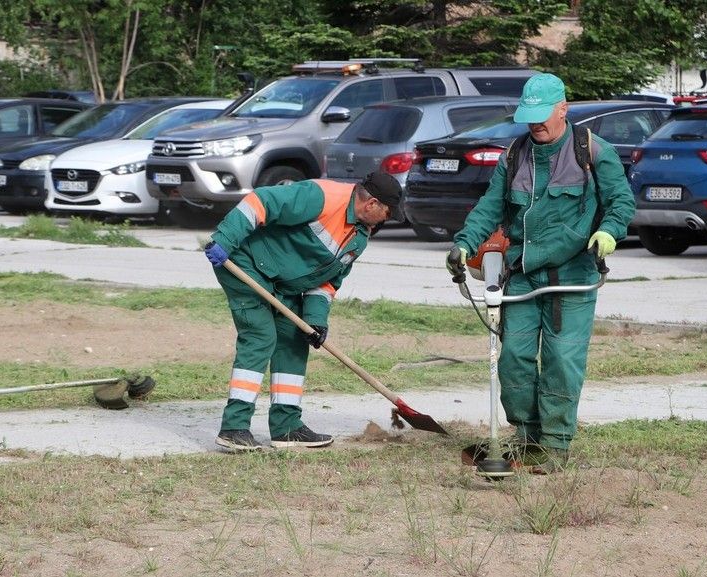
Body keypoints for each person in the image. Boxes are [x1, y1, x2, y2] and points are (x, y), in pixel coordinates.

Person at [445, 73, 635, 473]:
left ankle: (555, 444)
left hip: (573, 273)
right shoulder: (515, 155)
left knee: (562, 359)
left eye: (542, 115)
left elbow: (621, 202)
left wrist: (608, 232)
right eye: (528, 115)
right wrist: (464, 243)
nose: (535, 123)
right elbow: (490, 206)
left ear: (563, 108)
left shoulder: (593, 151)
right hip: (523, 273)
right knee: (512, 357)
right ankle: (527, 436)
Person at [203, 172, 402, 451]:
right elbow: (260, 201)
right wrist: (224, 239)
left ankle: (286, 428)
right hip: (243, 262)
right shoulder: (322, 197)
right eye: (387, 213)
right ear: (371, 204)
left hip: (284, 284)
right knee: (260, 336)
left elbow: (328, 281)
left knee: (295, 341)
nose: (386, 219)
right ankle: (234, 427)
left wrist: (315, 321)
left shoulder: (359, 237)